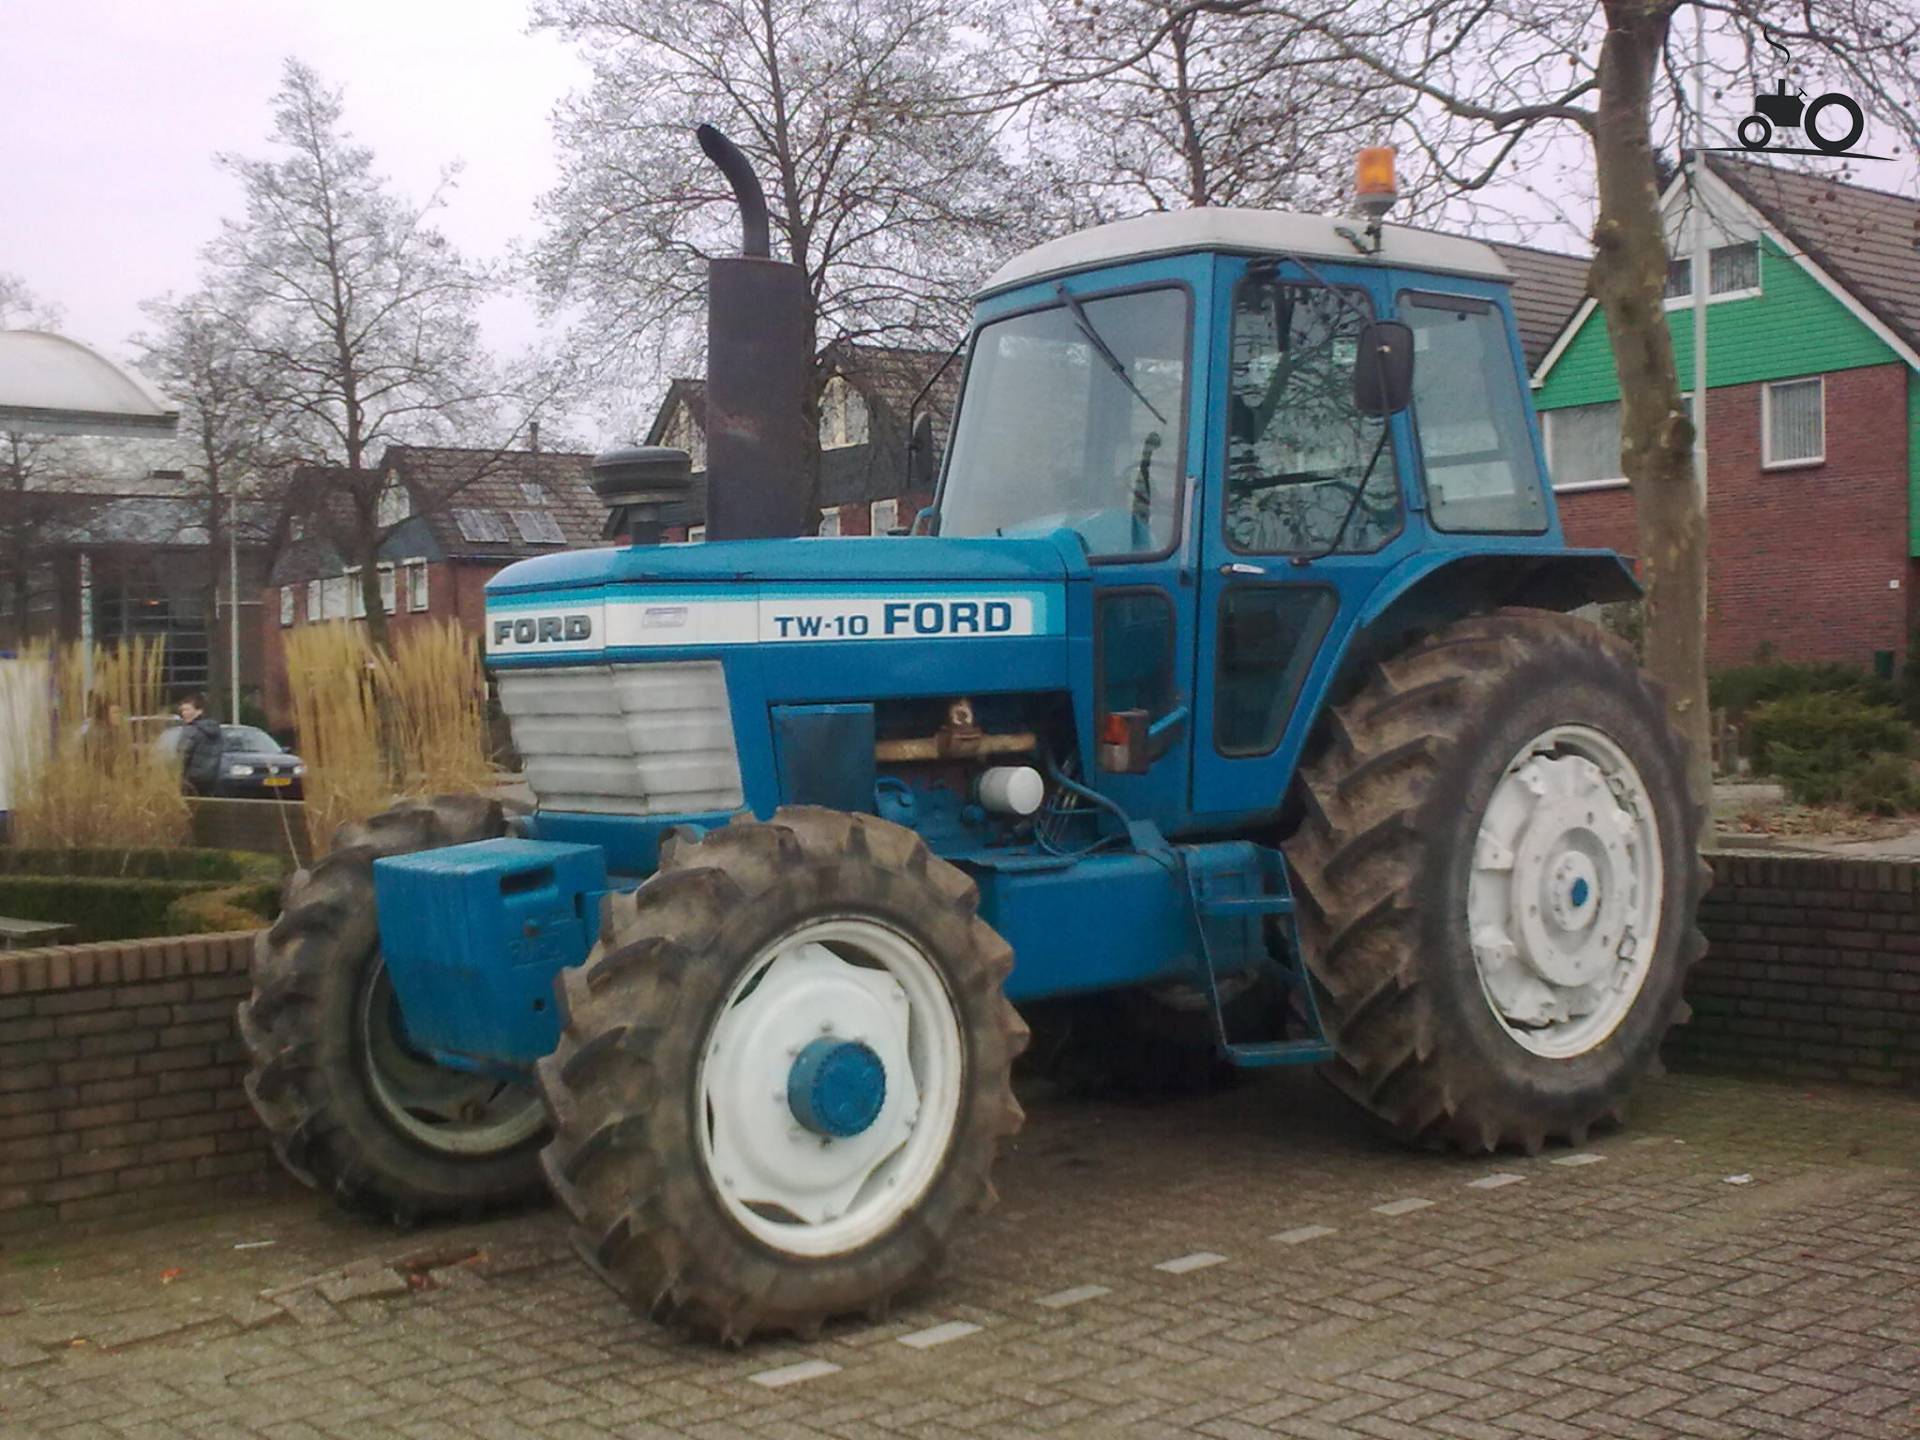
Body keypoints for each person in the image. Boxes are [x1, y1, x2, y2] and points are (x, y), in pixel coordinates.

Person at [174, 692, 223, 797]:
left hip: (191, 780)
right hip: (211, 779)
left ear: (199, 711)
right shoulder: (215, 729)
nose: (183, 713)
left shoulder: (192, 730)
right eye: (182, 710)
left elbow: (183, 755)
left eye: (187, 709)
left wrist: (177, 774)